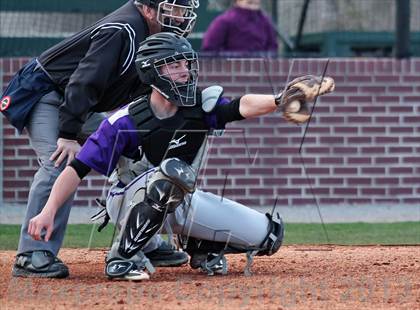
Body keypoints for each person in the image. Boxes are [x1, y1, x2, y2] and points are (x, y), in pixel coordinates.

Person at [27, 32, 335, 281]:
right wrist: (49, 210)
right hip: (128, 201)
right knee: (171, 175)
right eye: (174, 65)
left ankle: (199, 246)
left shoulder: (199, 105)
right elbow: (76, 169)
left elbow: (241, 106)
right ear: (152, 71)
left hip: (180, 198)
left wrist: (280, 99)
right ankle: (122, 257)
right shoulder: (125, 120)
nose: (184, 71)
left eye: (186, 63)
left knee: (268, 235)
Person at [1, 0, 200, 279]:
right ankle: (32, 254)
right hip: (46, 93)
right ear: (146, 8)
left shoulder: (153, 36)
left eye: (182, 10)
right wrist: (69, 134)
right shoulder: (122, 30)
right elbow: (84, 80)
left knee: (132, 150)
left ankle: (142, 239)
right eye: (173, 9)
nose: (179, 17)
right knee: (59, 161)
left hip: (78, 102)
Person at [201, 0, 278, 57]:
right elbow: (209, 50)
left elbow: (272, 47)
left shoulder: (265, 21)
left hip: (261, 71)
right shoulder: (225, 20)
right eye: (250, 2)